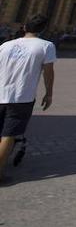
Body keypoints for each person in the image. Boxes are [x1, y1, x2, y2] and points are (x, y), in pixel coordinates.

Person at [0, 15, 55, 185]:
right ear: (43, 30)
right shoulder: (46, 46)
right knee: (9, 134)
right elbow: (48, 72)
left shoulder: (5, 45)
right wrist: (49, 93)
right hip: (22, 96)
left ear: (24, 27)